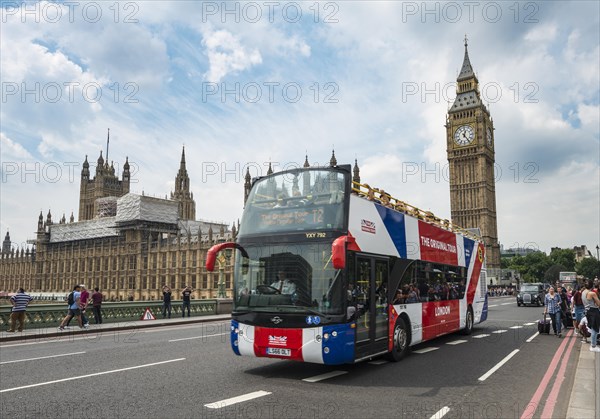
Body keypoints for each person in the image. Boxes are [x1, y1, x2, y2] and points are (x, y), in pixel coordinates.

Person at [584, 279, 600, 352]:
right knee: (595, 329)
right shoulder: (592, 293)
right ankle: (593, 345)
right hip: (593, 311)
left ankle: (593, 344)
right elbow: (599, 304)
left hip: (587, 311)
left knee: (593, 328)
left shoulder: (583, 292)